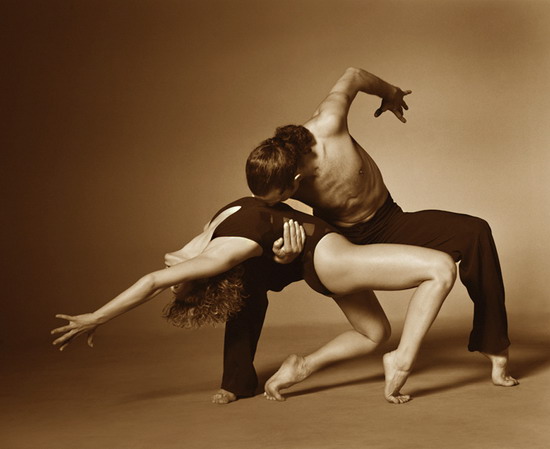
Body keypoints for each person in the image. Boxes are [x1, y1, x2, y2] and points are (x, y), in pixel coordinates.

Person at [51, 154, 457, 404]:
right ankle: (402, 361)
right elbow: (152, 282)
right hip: (332, 258)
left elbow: (167, 271)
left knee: (374, 333)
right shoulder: (223, 253)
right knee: (440, 268)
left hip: (319, 255)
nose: (177, 282)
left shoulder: (207, 235)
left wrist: (285, 255)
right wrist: (97, 317)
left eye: (179, 283)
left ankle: (301, 366)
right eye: (184, 285)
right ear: (204, 281)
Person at [255, 67, 518, 402]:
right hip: (339, 243)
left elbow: (353, 75)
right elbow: (258, 227)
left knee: (474, 233)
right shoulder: (276, 182)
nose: (279, 202)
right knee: (389, 318)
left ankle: (494, 347)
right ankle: (385, 362)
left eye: (281, 196)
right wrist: (281, 255)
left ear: (293, 180)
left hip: (388, 221)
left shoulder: (329, 123)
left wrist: (390, 93)